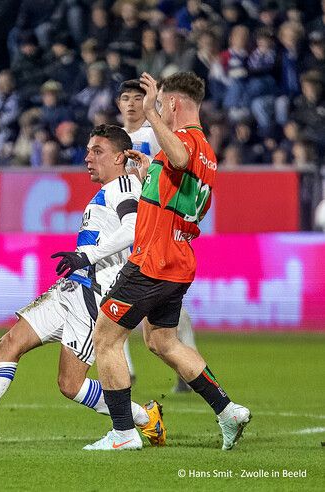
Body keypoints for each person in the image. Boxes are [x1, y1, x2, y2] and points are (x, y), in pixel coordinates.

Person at [0, 125, 165, 446]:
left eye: (98, 151)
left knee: (70, 384)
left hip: (94, 295)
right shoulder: (109, 188)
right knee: (9, 342)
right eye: (88, 150)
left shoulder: (124, 185)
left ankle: (141, 417)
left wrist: (88, 255)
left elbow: (134, 228)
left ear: (121, 157)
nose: (88, 158)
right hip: (71, 288)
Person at [85, 72, 251, 451]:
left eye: (160, 104)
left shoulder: (185, 142)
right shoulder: (207, 151)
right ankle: (227, 411)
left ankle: (124, 433)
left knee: (106, 338)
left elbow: (178, 155)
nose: (154, 110)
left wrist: (150, 114)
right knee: (162, 341)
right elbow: (182, 196)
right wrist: (149, 173)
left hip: (152, 261)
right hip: (177, 260)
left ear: (173, 104)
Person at [116, 78, 199, 393]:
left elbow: (179, 166)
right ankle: (125, 369)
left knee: (167, 303)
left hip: (156, 227)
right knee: (111, 295)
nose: (132, 103)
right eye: (126, 98)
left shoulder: (155, 134)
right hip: (125, 227)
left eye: (138, 97)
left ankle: (185, 366)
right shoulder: (113, 137)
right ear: (119, 104)